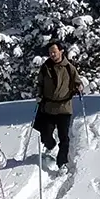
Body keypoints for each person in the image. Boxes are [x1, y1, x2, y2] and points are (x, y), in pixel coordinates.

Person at [34, 40, 82, 170]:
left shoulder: (69, 68)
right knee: (45, 134)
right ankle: (50, 146)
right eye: (50, 52)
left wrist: (79, 87)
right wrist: (39, 94)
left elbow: (78, 81)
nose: (52, 54)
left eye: (54, 52)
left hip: (64, 108)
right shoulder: (45, 67)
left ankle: (62, 163)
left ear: (61, 51)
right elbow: (40, 83)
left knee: (64, 137)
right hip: (48, 107)